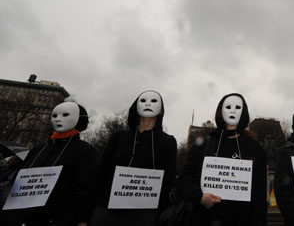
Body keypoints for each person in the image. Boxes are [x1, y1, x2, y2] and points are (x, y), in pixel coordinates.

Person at [2, 101, 99, 226]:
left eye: (65, 115)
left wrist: (81, 219)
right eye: (54, 116)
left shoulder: (85, 151)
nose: (58, 119)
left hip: (54, 218)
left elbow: (85, 190)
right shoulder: (38, 149)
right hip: (15, 217)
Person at [177, 93, 267, 226]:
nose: (232, 110)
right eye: (228, 107)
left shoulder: (254, 147)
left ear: (244, 113)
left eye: (237, 107)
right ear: (220, 111)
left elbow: (259, 192)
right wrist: (199, 196)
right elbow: (186, 177)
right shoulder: (204, 144)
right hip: (204, 219)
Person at [90, 90, 177, 226]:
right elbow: (102, 174)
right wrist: (85, 215)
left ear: (161, 111)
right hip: (108, 212)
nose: (148, 103)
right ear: (136, 106)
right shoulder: (118, 137)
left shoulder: (168, 142)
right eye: (143, 100)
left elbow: (168, 181)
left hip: (146, 215)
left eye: (154, 101)